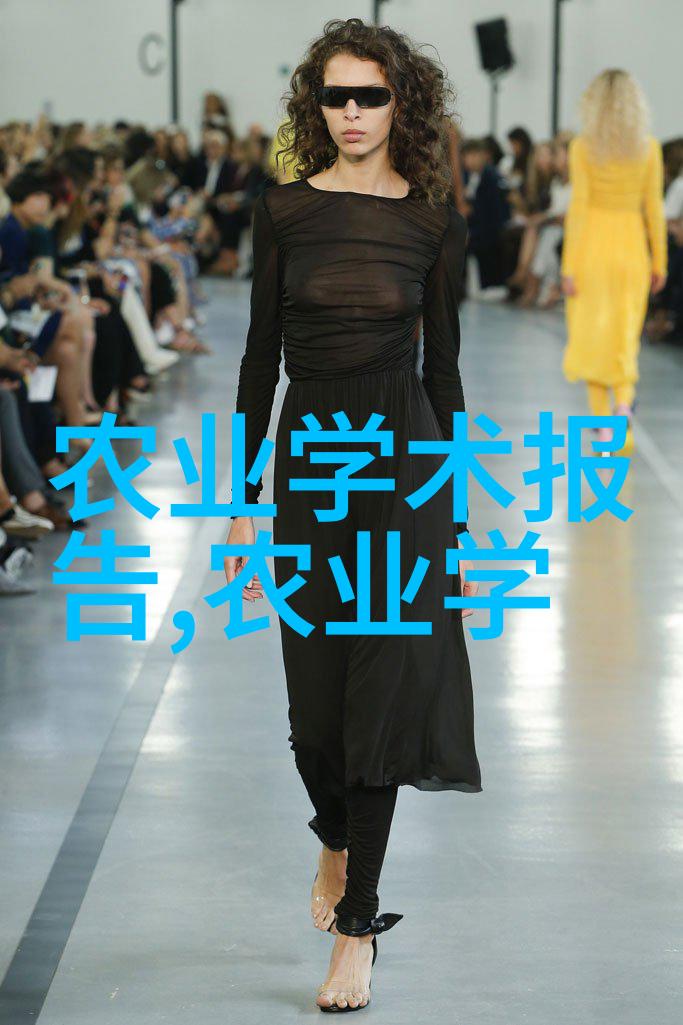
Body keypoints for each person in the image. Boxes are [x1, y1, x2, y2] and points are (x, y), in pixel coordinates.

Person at [223, 17, 481, 1013]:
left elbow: (444, 374)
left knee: (378, 703)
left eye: (371, 94)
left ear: (399, 104)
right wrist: (240, 498)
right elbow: (257, 361)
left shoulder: (431, 222)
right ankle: (332, 837)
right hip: (312, 473)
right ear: (315, 105)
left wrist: (453, 507)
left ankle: (357, 926)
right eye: (336, 95)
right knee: (312, 716)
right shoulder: (283, 212)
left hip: (403, 473)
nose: (353, 112)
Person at [560, 69, 667, 456]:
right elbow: (653, 209)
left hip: (591, 251)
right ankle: (623, 410)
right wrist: (660, 262)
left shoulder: (583, 149)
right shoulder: (649, 149)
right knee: (624, 339)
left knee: (591, 339)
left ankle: (604, 427)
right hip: (632, 251)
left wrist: (568, 266)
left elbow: (579, 209)